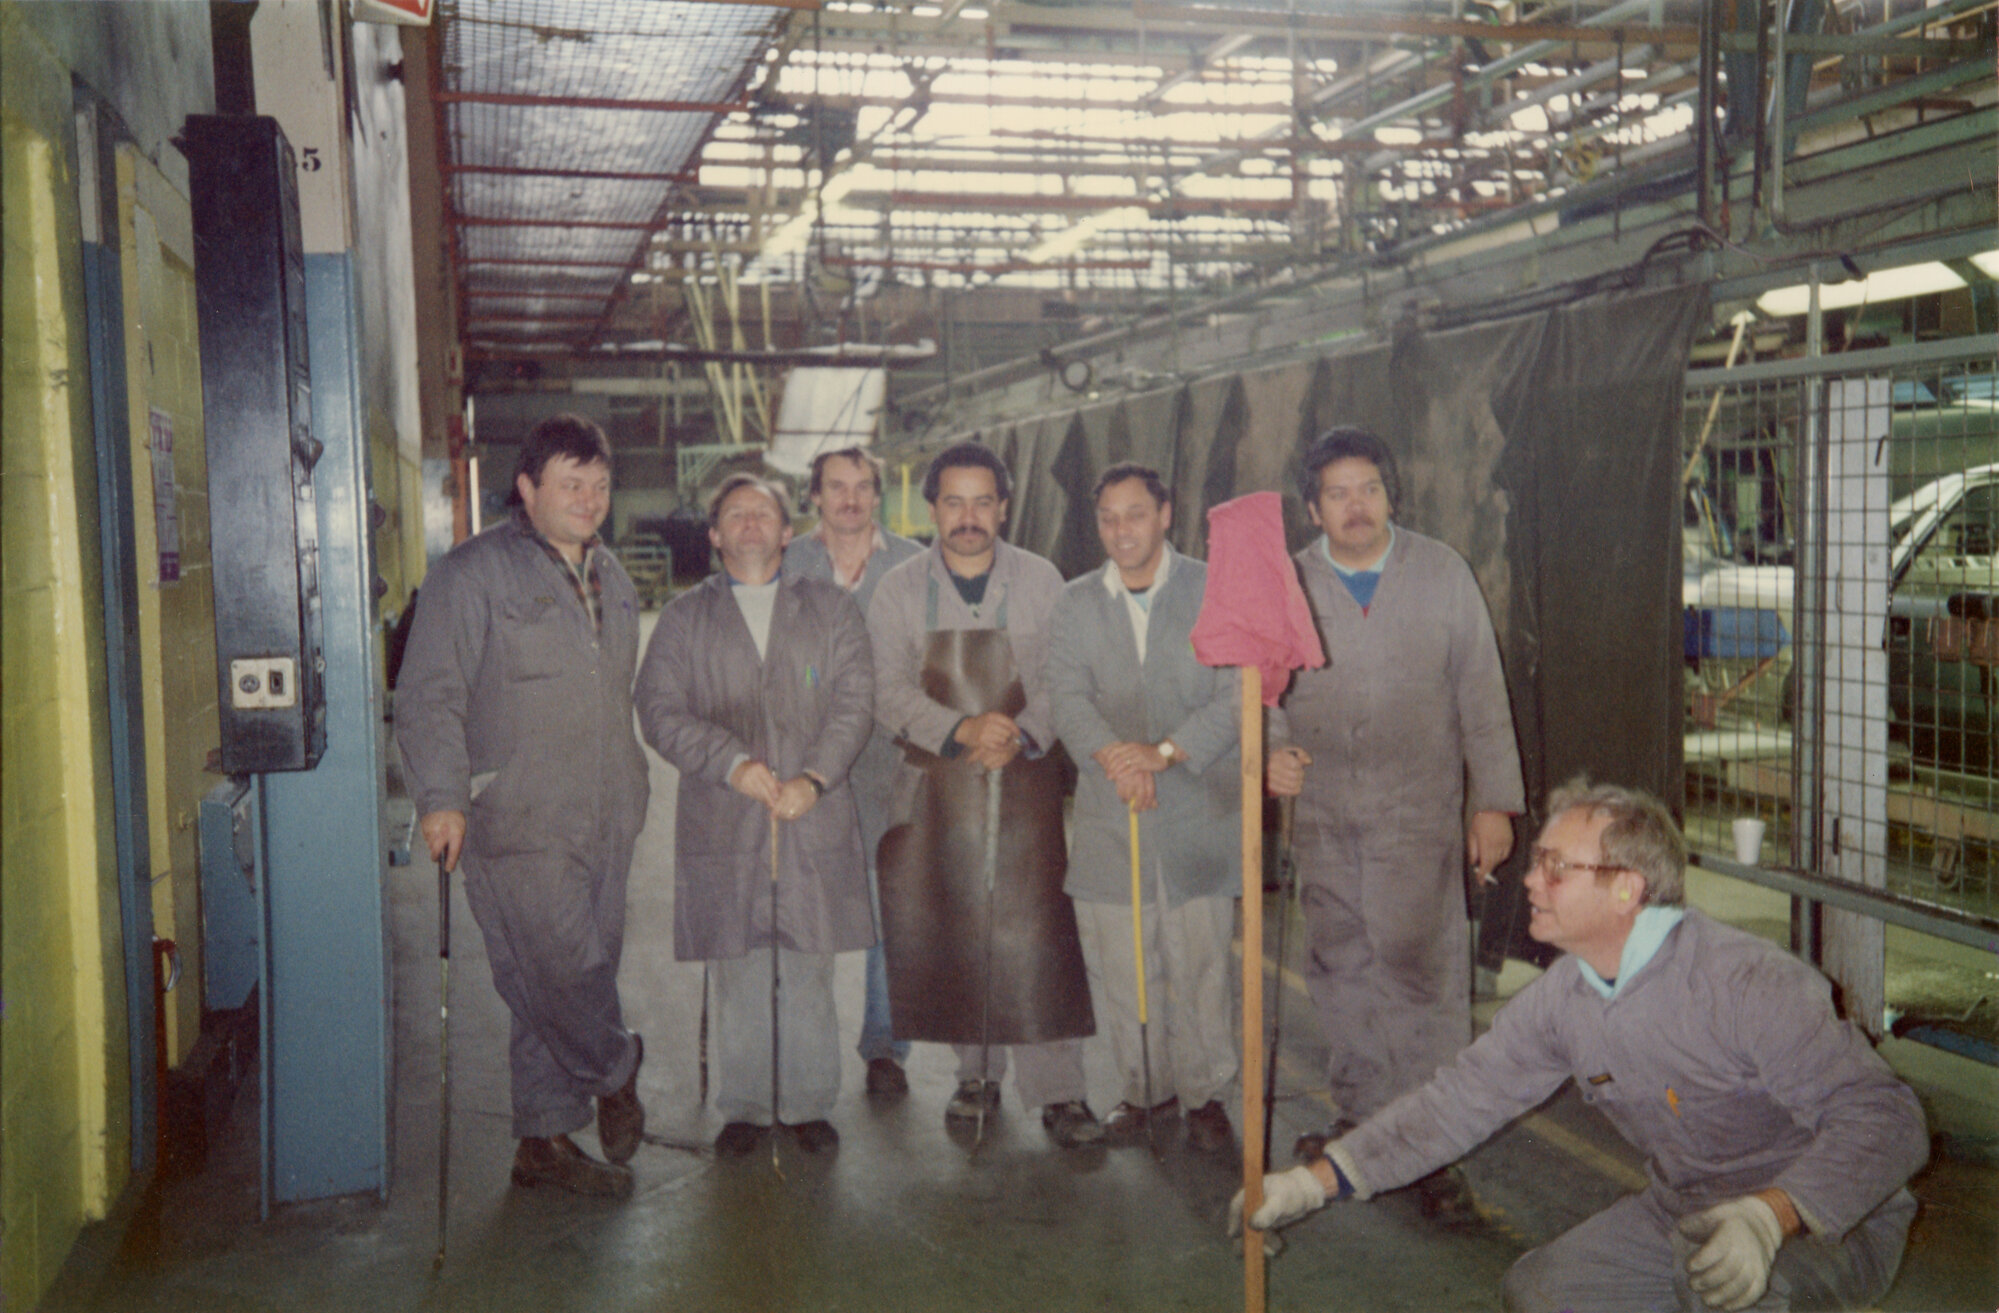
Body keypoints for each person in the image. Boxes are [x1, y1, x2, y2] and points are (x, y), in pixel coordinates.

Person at [1237, 779, 1930, 1313]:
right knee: (1542, 1294)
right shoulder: (1563, 998)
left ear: (1625, 888)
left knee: (1734, 1298)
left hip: (1828, 1220)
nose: (1529, 880)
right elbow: (1456, 1103)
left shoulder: (1743, 981)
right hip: (1685, 1204)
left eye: (1554, 866)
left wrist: (1770, 1214)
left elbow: (1889, 1120)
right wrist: (1310, 1182)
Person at [397, 414, 650, 1198]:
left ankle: (542, 1139)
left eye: (600, 484)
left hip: (609, 808)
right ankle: (616, 1067)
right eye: (571, 483)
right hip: (518, 814)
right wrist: (442, 797)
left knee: (566, 971)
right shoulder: (471, 575)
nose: (590, 498)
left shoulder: (615, 577)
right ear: (528, 487)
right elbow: (429, 693)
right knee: (562, 967)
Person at [1268, 426, 1525, 1163]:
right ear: (1312, 509)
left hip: (1417, 810)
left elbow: (1481, 690)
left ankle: (1429, 1140)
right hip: (1322, 813)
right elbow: (1259, 686)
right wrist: (1269, 751)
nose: (1356, 506)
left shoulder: (1441, 572)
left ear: (1391, 496)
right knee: (1339, 966)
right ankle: (1361, 1117)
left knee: (1421, 972)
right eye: (1337, 494)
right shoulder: (1287, 583)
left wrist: (1494, 802)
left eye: (1369, 490)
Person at [867, 442, 1102, 1148]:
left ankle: (1060, 1092)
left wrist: (1021, 732)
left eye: (981, 502)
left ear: (1003, 507)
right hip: (938, 781)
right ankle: (975, 1077)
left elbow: (1064, 678)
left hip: (1024, 778)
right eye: (953, 502)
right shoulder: (898, 590)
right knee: (956, 925)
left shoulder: (1042, 580)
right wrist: (960, 728)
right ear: (931, 508)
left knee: (1037, 935)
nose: (967, 517)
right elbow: (885, 689)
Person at [635, 473, 875, 1156]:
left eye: (763, 513)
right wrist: (730, 762)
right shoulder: (685, 617)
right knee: (736, 962)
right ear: (714, 534)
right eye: (734, 514)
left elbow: (854, 700)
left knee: (808, 962)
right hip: (723, 811)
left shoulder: (831, 609)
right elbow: (659, 709)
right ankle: (743, 1105)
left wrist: (816, 777)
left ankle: (806, 1103)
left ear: (788, 531)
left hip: (812, 811)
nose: (749, 523)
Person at [1047, 463, 1240, 1151]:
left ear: (1165, 514)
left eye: (1135, 513)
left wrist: (1165, 753)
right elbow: (1066, 697)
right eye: (1107, 517)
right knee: (1125, 968)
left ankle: (1206, 1095)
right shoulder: (1075, 602)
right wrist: (1118, 760)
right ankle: (1144, 1090)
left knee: (1201, 966)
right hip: (1112, 809)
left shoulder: (1214, 588)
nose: (1120, 529)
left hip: (1198, 808)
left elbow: (1236, 695)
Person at [782, 447, 923, 1098]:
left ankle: (885, 1046)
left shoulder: (913, 565)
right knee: (804, 904)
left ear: (877, 494)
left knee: (890, 905)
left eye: (863, 486)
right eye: (836, 487)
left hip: (892, 759)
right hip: (807, 760)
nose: (850, 499)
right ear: (814, 496)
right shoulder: (787, 563)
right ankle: (800, 1053)